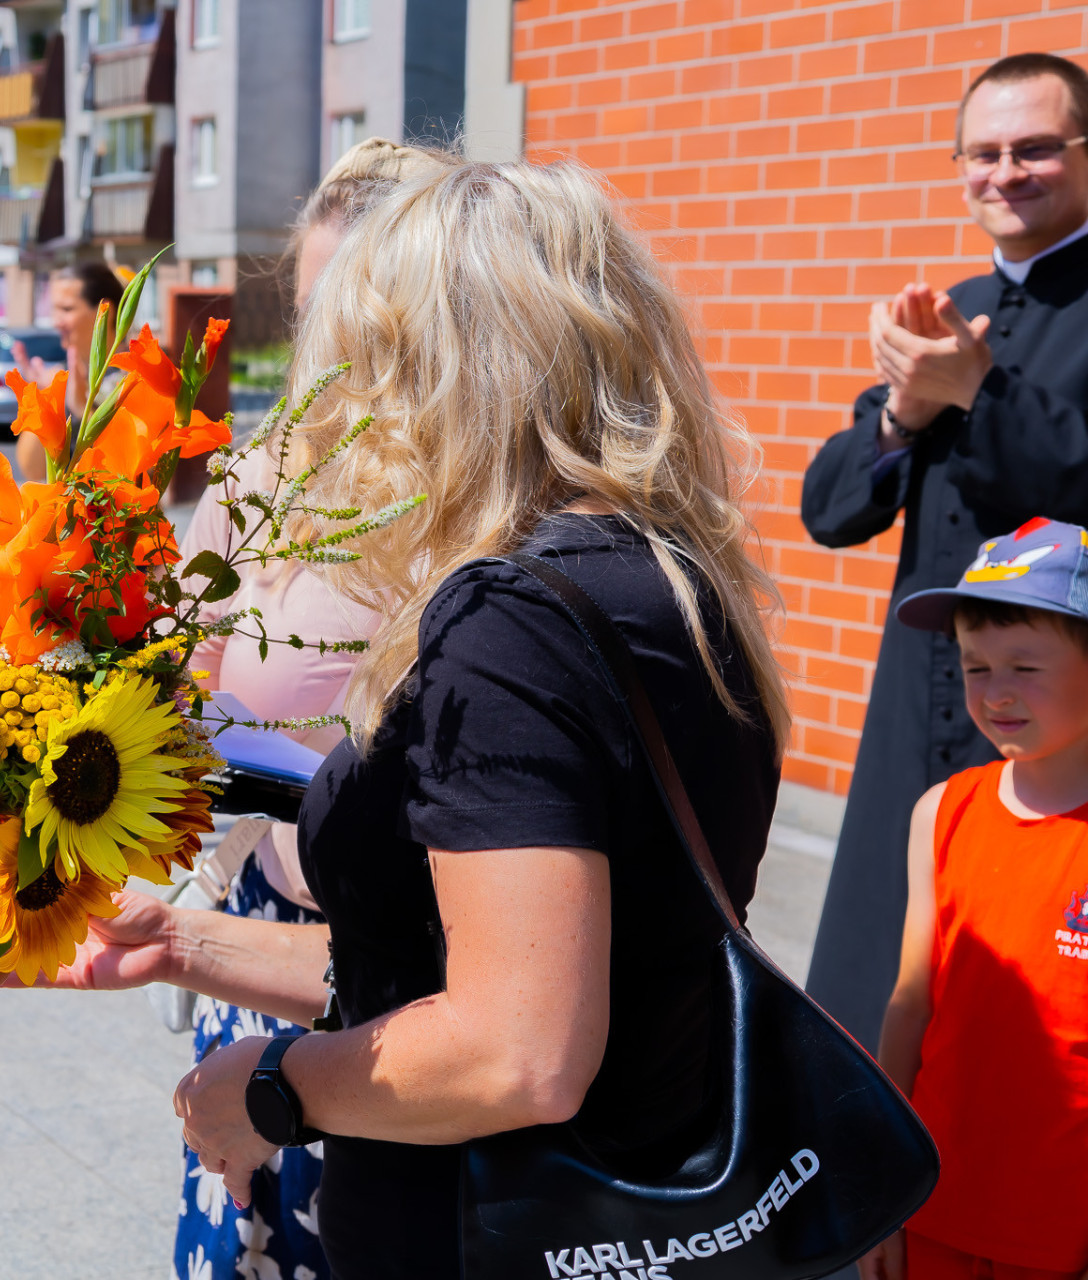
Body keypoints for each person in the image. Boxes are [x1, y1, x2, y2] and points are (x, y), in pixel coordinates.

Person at [57, 159, 787, 1277]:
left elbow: (518, 1048)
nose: (341, 409)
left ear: (443, 365)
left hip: (477, 1231)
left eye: (361, 358)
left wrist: (274, 1085)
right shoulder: (663, 577)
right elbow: (482, 958)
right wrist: (188, 942)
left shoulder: (507, 621)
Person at [167, 135, 433, 1280]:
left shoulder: (474, 500)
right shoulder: (251, 482)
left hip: (423, 987)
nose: (332, 343)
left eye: (361, 307)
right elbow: (180, 697)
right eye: (316, 306)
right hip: (265, 951)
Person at [803, 52, 1088, 1050]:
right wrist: (901, 412)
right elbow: (830, 510)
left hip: (1060, 712)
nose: (1004, 172)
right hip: (920, 684)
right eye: (983, 152)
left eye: (1035, 148)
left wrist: (979, 390)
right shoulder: (953, 307)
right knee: (880, 977)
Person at [859, 518, 1088, 1280]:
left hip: (1062, 1232)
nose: (996, 692)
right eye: (976, 666)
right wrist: (884, 1186)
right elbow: (910, 1005)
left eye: (1025, 666)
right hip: (936, 1206)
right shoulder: (940, 813)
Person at [13, 261, 125, 482]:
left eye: (66, 309)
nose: (56, 322)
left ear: (105, 311)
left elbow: (132, 469)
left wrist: (83, 409)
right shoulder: (61, 378)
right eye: (54, 310)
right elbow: (32, 470)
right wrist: (43, 400)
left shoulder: (134, 378)